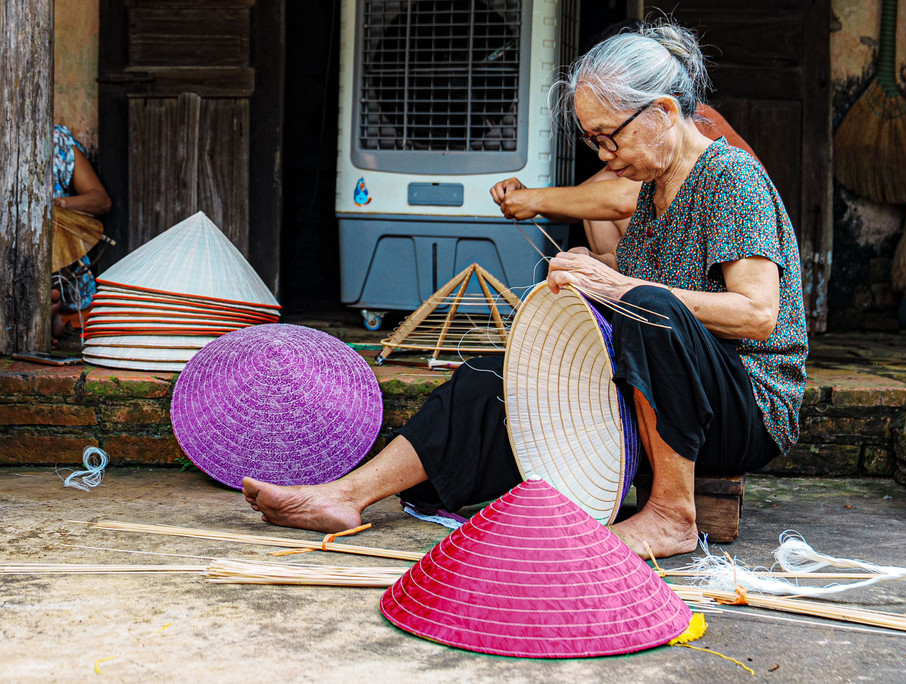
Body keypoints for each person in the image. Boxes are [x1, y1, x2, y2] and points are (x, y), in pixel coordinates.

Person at [242, 21, 808, 560]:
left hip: (742, 408)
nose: (604, 156)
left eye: (610, 138)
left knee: (645, 306)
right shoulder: (652, 190)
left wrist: (621, 286)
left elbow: (756, 313)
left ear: (662, 112)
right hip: (660, 393)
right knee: (494, 378)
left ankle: (671, 514)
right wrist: (591, 270)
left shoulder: (730, 177)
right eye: (594, 141)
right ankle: (345, 496)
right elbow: (658, 279)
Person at [490, 103, 759, 268]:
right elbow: (584, 198)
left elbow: (624, 199)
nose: (602, 153)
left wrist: (535, 200)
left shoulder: (713, 152)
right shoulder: (637, 147)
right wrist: (529, 197)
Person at [51, 124, 112, 344]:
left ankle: (53, 315)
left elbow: (101, 201)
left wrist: (58, 205)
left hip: (63, 273)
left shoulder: (56, 140)